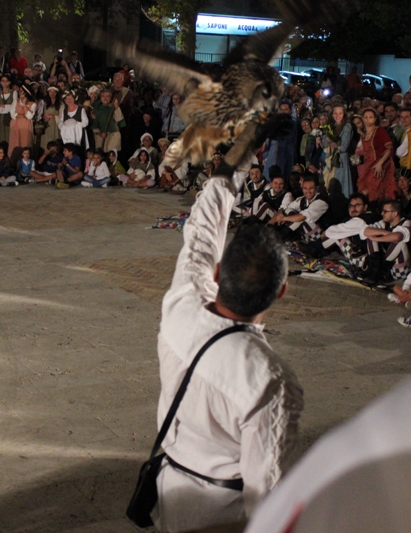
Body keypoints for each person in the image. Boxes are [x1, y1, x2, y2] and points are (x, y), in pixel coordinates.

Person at [152, 162, 302, 533]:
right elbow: (267, 489)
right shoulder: (269, 379)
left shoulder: (182, 306)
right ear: (281, 291)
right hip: (222, 515)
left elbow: (200, 236)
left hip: (168, 491)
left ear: (218, 274)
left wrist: (231, 169)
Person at [360, 199, 411, 284]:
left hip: (400, 270)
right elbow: (365, 231)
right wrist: (384, 233)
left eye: (385, 211)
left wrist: (377, 239)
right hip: (386, 268)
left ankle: (379, 271)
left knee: (400, 242)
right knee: (371, 234)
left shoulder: (408, 223)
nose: (382, 213)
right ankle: (376, 270)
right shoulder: (384, 223)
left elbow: (397, 236)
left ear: (395, 214)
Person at [267, 174, 329, 243]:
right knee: (289, 211)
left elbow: (303, 217)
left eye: (311, 188)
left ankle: (279, 237)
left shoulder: (321, 202)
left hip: (321, 236)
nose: (308, 191)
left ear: (316, 188)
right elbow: (286, 208)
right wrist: (280, 214)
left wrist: (284, 218)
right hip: (306, 234)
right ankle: (270, 232)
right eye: (305, 188)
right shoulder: (302, 200)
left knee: (301, 219)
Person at [356, 108, 396, 208]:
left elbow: (389, 148)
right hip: (368, 165)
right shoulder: (364, 134)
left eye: (370, 117)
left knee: (373, 190)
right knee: (364, 189)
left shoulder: (379, 131)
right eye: (365, 117)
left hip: (379, 163)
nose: (368, 120)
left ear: (375, 119)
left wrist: (380, 163)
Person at [92, 89, 125, 153]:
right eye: (103, 96)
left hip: (113, 135)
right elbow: (94, 124)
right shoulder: (96, 109)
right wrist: (100, 133)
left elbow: (119, 120)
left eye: (107, 96)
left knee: (111, 154)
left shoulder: (113, 108)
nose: (105, 98)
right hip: (100, 137)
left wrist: (116, 107)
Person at [8, 83, 36, 157]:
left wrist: (24, 106)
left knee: (25, 142)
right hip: (15, 125)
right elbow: (12, 113)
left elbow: (29, 116)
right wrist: (22, 115)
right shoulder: (16, 101)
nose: (20, 93)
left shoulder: (33, 104)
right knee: (15, 143)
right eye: (20, 91)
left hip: (26, 126)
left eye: (22, 91)